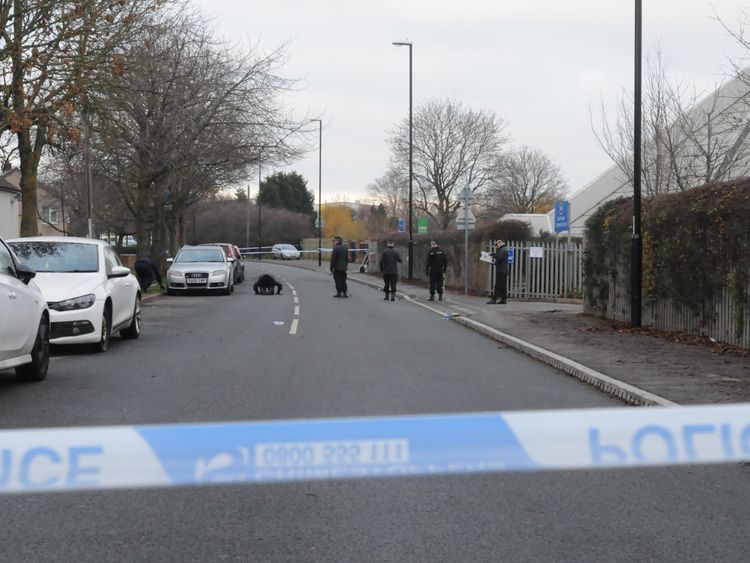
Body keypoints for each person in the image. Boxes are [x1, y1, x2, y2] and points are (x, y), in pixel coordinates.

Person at [487, 239, 509, 304]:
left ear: (500, 243)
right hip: (503, 270)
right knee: (503, 286)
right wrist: (493, 262)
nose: (496, 246)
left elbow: (500, 257)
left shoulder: (502, 250)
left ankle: (494, 299)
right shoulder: (504, 249)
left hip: (501, 271)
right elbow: (500, 260)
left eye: (497, 245)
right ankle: (503, 299)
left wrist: (492, 254)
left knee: (498, 285)